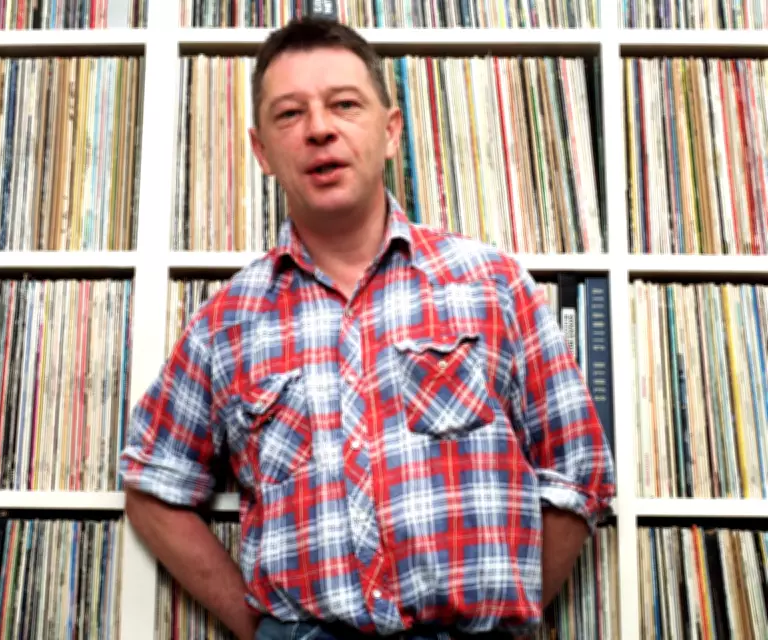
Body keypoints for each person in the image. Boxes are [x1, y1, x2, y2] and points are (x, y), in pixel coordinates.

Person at [120, 16, 616, 640]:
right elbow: (152, 486)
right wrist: (257, 627)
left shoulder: (491, 284)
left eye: (344, 105)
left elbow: (579, 468)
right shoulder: (227, 323)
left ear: (390, 131)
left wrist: (506, 624)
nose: (319, 129)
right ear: (261, 151)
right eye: (289, 114)